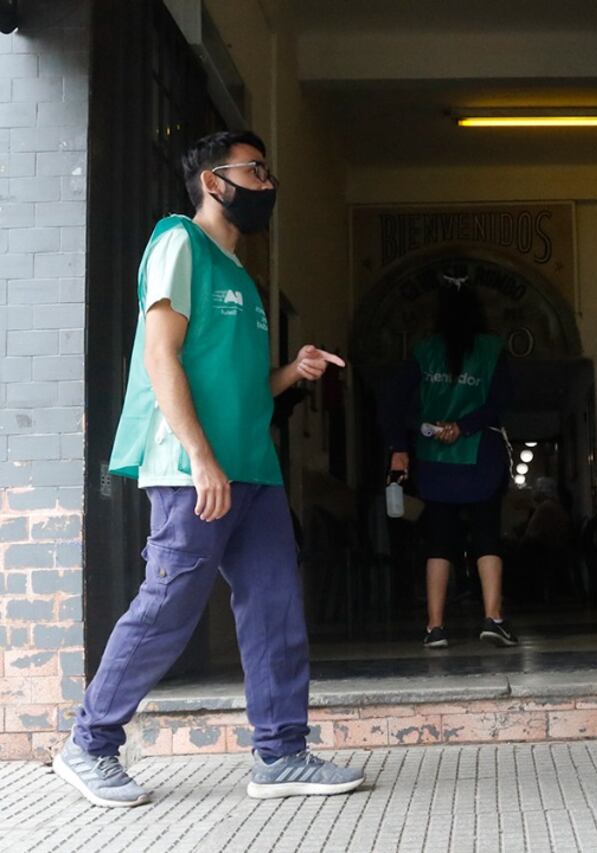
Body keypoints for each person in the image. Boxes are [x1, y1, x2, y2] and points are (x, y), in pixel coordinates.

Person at [56, 131, 364, 807]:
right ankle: (89, 741)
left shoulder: (242, 277)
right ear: (213, 182)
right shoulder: (178, 245)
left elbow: (244, 387)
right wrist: (199, 458)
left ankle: (281, 754)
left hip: (253, 469)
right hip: (190, 469)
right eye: (254, 170)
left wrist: (293, 371)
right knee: (168, 607)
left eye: (267, 170)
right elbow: (161, 357)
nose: (267, 182)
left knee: (277, 608)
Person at [383, 281, 516, 649]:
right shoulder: (493, 350)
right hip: (481, 458)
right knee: (486, 535)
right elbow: (501, 401)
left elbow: (392, 400)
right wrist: (465, 427)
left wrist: (400, 446)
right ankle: (492, 618)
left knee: (439, 541)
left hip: (434, 460)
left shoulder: (424, 352)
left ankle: (435, 627)